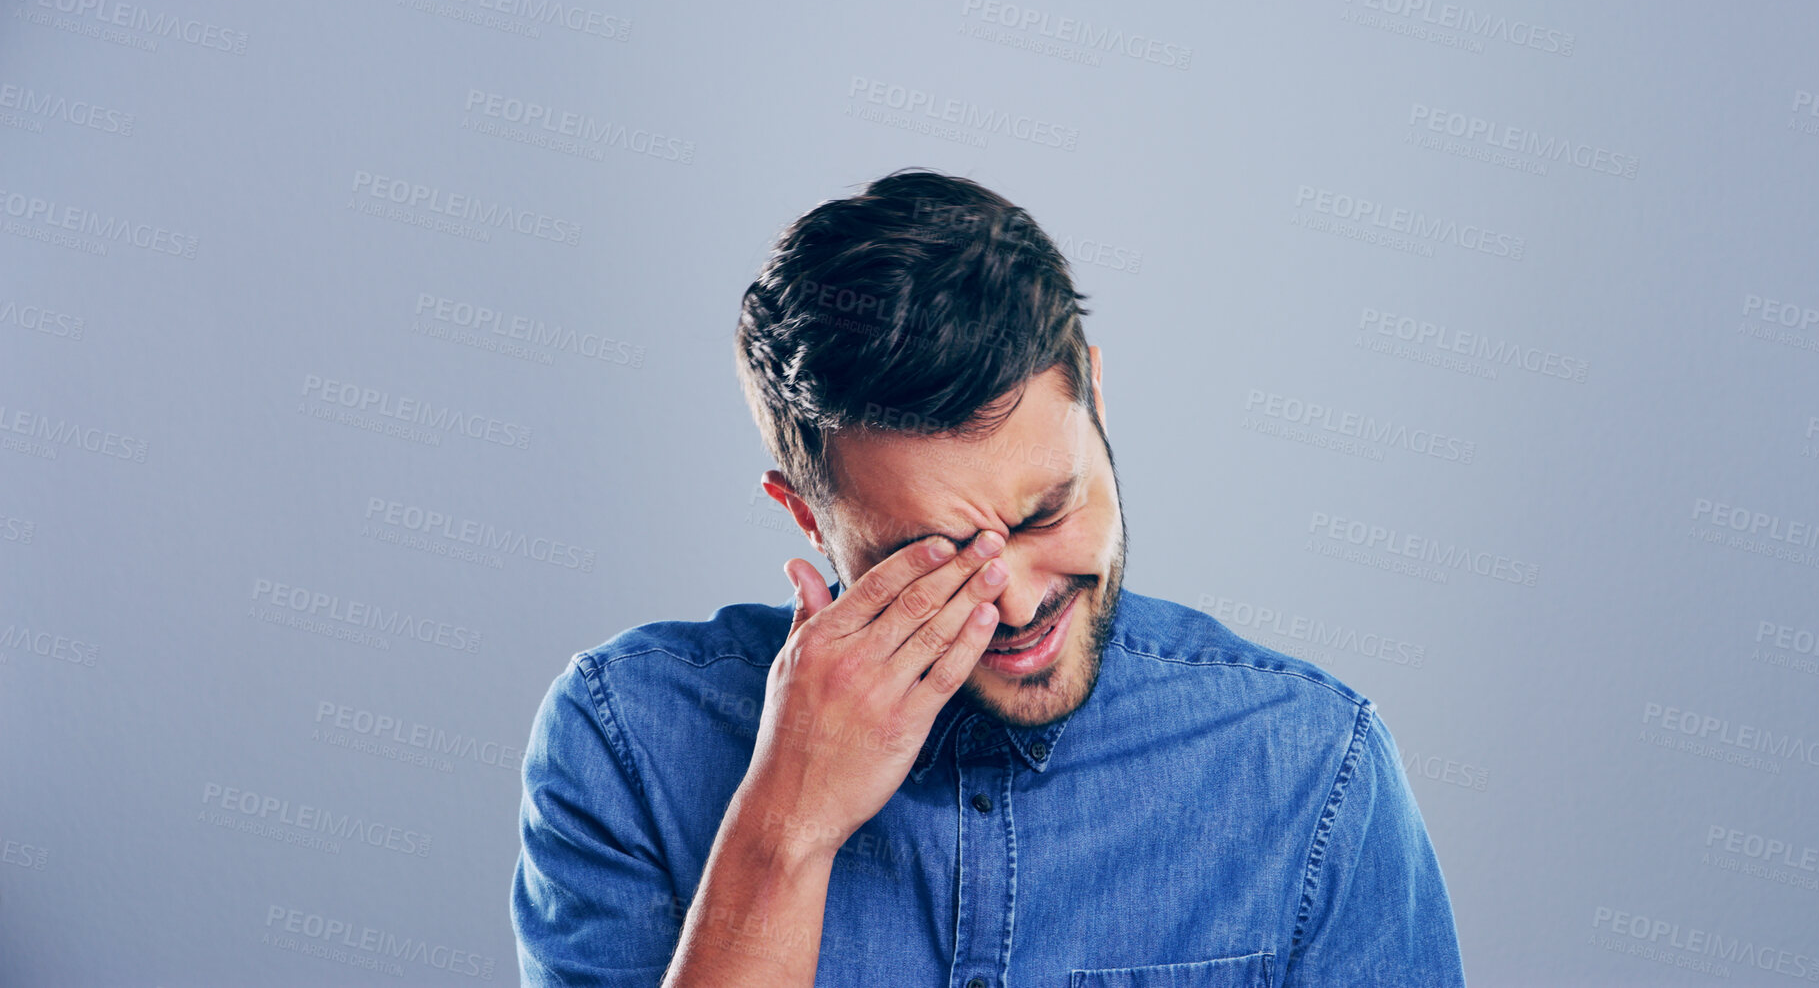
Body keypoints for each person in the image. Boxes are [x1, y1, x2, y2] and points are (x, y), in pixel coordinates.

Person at [510, 169, 1466, 987]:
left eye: (1044, 512)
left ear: (1094, 392)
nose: (1012, 601)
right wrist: (784, 830)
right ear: (804, 512)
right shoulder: (625, 739)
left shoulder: (1310, 767)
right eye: (924, 557)